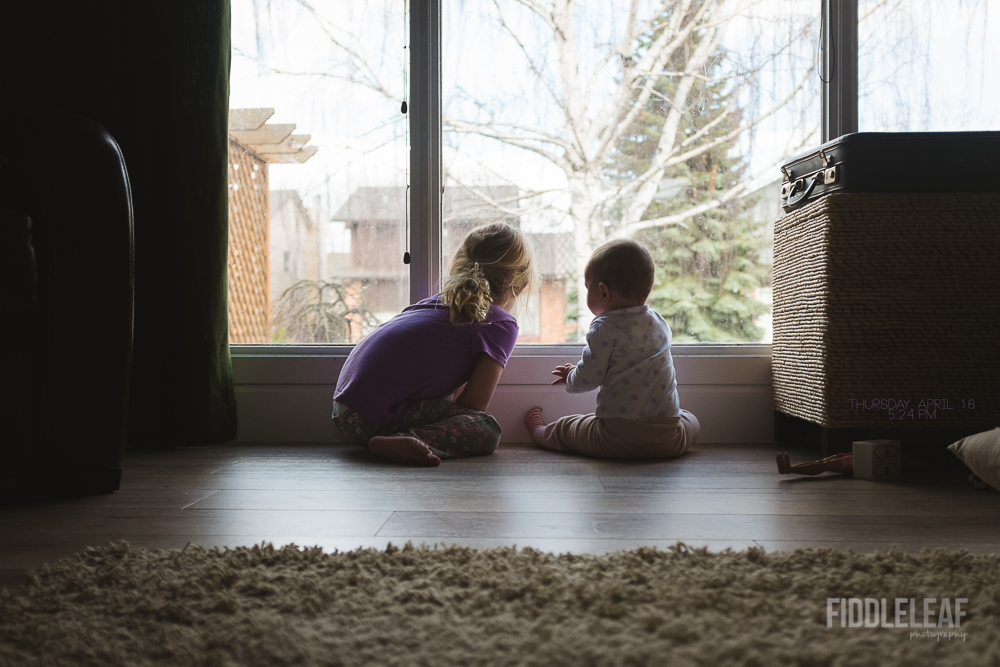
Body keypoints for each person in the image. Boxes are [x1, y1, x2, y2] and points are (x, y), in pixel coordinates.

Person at [332, 222, 538, 466]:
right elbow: (474, 405)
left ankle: (392, 439)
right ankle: (405, 440)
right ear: (520, 285)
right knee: (486, 428)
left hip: (343, 410)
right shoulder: (500, 323)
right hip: (370, 418)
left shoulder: (435, 303)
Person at [523, 238, 700, 459]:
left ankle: (539, 431)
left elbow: (589, 377)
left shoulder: (603, 328)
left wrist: (570, 377)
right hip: (667, 437)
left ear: (603, 292)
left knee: (568, 428)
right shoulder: (659, 322)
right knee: (691, 420)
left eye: (588, 288)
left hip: (615, 438)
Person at [776, 452, 853, 476]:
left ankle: (790, 469)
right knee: (820, 462)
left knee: (825, 465)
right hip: (851, 454)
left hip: (854, 460)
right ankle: (788, 468)